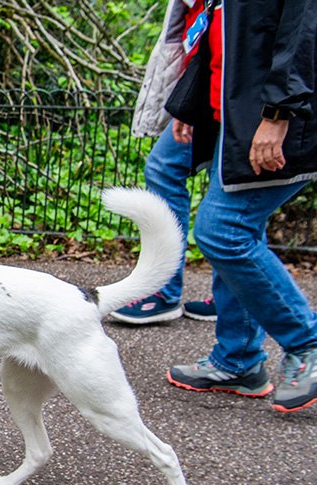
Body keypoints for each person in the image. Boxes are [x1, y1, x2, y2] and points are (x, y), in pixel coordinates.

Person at [161, 0, 317, 413]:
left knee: (224, 231)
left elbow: (302, 32)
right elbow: (218, 32)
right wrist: (192, 104)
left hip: (273, 119)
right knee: (238, 231)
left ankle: (308, 343)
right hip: (233, 117)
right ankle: (238, 360)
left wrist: (279, 113)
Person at [111, 0, 217, 325]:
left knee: (227, 204)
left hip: (228, 92)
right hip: (202, 83)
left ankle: (231, 301)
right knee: (165, 168)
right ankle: (168, 291)